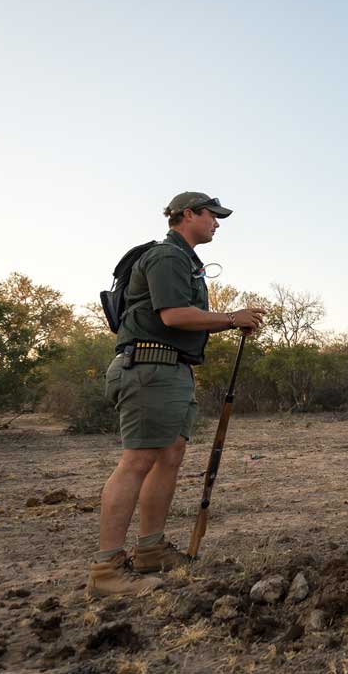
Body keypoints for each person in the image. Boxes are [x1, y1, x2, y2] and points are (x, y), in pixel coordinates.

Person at [90, 192, 266, 598]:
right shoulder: (168, 256)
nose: (217, 224)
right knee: (137, 461)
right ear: (188, 214)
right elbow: (174, 315)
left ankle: (150, 549)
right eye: (212, 216)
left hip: (170, 368)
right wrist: (230, 318)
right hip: (149, 367)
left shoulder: (185, 259)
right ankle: (106, 569)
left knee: (168, 457)